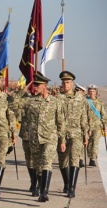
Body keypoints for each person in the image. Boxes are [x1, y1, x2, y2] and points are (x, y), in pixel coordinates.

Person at [24, 73, 65, 202]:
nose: (35, 87)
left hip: (50, 138)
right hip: (35, 139)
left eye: (37, 85)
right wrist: (23, 91)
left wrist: (62, 140)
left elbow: (60, 122)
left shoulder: (55, 102)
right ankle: (42, 190)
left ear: (45, 86)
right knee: (38, 167)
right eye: (34, 84)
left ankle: (44, 193)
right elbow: (14, 105)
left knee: (47, 162)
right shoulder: (30, 101)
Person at [57, 71, 88, 198]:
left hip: (76, 134)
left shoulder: (80, 99)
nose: (66, 85)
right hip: (61, 135)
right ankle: (67, 183)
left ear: (72, 83)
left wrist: (86, 135)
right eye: (63, 82)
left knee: (74, 160)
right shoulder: (58, 98)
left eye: (68, 82)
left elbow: (84, 118)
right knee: (63, 161)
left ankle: (72, 189)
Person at [86, 84, 106, 167]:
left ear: (96, 92)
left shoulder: (100, 103)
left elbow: (103, 114)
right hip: (87, 126)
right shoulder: (85, 102)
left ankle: (93, 159)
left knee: (95, 142)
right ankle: (89, 155)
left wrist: (104, 125)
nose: (91, 93)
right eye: (90, 91)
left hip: (97, 126)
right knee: (88, 143)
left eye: (93, 91)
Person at [75, 84, 87, 168]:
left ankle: (81, 159)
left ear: (83, 92)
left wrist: (88, 128)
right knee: (76, 145)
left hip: (83, 126)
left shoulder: (86, 101)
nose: (77, 92)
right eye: (76, 90)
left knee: (82, 144)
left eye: (79, 90)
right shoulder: (74, 100)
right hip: (74, 127)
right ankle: (78, 159)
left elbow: (88, 115)